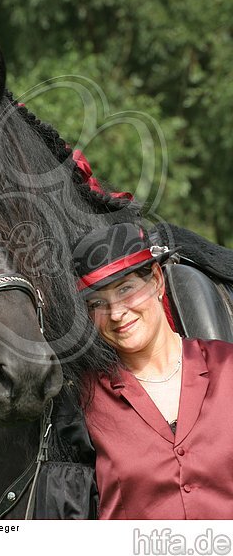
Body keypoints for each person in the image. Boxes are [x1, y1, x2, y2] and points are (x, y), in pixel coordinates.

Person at [72, 221, 233, 520]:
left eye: (126, 289)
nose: (117, 313)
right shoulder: (85, 400)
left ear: (157, 280)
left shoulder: (228, 367)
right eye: (98, 303)